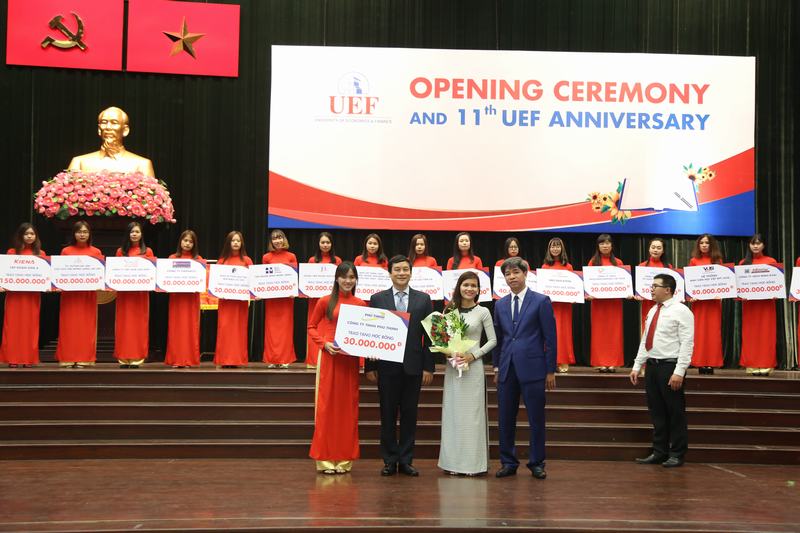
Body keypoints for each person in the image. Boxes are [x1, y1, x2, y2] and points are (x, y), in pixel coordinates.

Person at [367, 255, 434, 477]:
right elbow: (371, 334)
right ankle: (389, 460)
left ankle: (406, 460)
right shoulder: (377, 299)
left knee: (409, 415)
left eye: (405, 269)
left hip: (413, 367)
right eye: (397, 269)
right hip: (386, 368)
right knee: (387, 415)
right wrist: (370, 367)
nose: (402, 273)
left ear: (411, 272)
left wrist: (428, 367)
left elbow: (429, 337)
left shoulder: (424, 299)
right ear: (390, 273)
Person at [493, 257, 557, 480]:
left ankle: (537, 462)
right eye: (507, 274)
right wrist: (496, 367)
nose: (512, 277)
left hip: (534, 369)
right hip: (506, 369)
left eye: (515, 272)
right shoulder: (499, 304)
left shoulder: (541, 301)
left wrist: (550, 370)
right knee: (505, 419)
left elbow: (550, 338)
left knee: (536, 419)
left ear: (525, 273)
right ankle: (508, 462)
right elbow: (499, 339)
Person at [630, 273, 694, 468]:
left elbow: (687, 343)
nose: (651, 289)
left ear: (667, 290)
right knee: (656, 411)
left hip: (670, 366)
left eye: (655, 286)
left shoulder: (681, 310)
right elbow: (646, 339)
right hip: (652, 366)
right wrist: (637, 365)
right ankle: (659, 451)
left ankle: (677, 453)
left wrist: (679, 371)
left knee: (675, 412)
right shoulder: (652, 310)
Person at [307, 261, 365, 474]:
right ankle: (324, 459)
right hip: (330, 359)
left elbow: (365, 333)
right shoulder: (324, 301)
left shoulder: (360, 304)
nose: (348, 281)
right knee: (326, 408)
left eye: (352, 277)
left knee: (347, 409)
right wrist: (324, 343)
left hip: (349, 362)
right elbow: (311, 327)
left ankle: (344, 460)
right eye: (344, 277)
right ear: (337, 278)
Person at [438, 271, 497, 476]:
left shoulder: (483, 312)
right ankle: (452, 464)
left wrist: (473, 355)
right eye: (466, 285)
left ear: (479, 289)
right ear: (459, 287)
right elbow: (442, 340)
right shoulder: (449, 311)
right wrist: (449, 353)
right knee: (453, 415)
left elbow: (493, 340)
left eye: (473, 285)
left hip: (473, 369)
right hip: (454, 368)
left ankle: (473, 465)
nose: (469, 289)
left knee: (473, 417)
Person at [55, 221, 104, 368]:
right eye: (79, 232)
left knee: (86, 326)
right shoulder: (66, 251)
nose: (82, 234)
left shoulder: (96, 252)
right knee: (68, 326)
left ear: (89, 234)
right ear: (74, 234)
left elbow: (100, 274)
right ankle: (67, 358)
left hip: (87, 295)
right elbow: (59, 272)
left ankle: (85, 358)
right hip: (69, 296)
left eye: (85, 232)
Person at [0, 223, 47, 367]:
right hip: (14, 296)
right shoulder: (11, 253)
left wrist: (49, 284)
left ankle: (28, 359)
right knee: (12, 326)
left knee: (30, 327)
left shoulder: (41, 254)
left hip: (32, 297)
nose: (29, 236)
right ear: (20, 236)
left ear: (36, 236)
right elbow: (5, 273)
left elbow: (46, 276)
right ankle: (12, 359)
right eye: (26, 234)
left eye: (32, 234)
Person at [68, 106, 155, 177]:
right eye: (104, 122)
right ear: (99, 129)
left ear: (125, 130)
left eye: (114, 123)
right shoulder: (79, 162)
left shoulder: (142, 164)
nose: (108, 127)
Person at [113, 221, 155, 368]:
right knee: (124, 324)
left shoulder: (147, 252)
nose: (134, 234)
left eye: (137, 231)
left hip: (140, 295)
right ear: (128, 234)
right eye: (132, 232)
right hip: (124, 295)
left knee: (139, 324)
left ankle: (137, 357)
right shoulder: (120, 252)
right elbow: (115, 272)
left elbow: (152, 273)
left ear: (141, 234)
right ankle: (123, 358)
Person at [738, 233, 778, 376]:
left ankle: (766, 364)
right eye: (752, 243)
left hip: (766, 305)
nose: (755, 246)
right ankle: (751, 364)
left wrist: (776, 291)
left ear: (764, 245)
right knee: (750, 334)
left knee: (766, 333)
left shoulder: (771, 261)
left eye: (758, 243)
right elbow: (739, 285)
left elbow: (777, 282)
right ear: (749, 245)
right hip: (750, 305)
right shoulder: (743, 263)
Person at [165, 230, 205, 368]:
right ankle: (176, 359)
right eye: (185, 240)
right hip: (177, 299)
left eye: (190, 241)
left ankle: (188, 359)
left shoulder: (198, 260)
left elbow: (201, 281)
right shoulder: (172, 258)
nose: (187, 244)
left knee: (190, 328)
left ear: (194, 244)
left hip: (191, 299)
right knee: (176, 327)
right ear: (180, 241)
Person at [587, 233, 626, 372]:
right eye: (602, 243)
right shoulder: (593, 262)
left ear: (612, 245)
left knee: (614, 332)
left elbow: (624, 283)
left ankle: (613, 363)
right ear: (598, 246)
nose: (605, 246)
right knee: (599, 333)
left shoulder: (619, 263)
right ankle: (600, 362)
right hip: (598, 305)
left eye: (607, 243)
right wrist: (587, 294)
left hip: (614, 304)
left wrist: (626, 291)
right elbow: (588, 284)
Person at [214, 231, 253, 368]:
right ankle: (224, 359)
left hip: (240, 303)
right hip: (225, 302)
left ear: (242, 243)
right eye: (233, 240)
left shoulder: (247, 261)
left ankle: (237, 360)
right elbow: (215, 283)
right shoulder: (221, 261)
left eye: (238, 240)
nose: (236, 243)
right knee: (225, 329)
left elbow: (253, 281)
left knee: (239, 330)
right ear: (228, 243)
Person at [687, 234, 724, 375]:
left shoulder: (718, 261)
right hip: (699, 304)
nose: (704, 245)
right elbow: (690, 282)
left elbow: (723, 281)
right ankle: (700, 362)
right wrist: (691, 296)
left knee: (713, 332)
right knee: (699, 332)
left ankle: (712, 362)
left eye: (707, 243)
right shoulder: (694, 261)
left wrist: (722, 292)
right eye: (701, 243)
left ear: (711, 245)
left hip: (713, 303)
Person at [262, 229, 298, 368]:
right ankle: (272, 359)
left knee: (285, 329)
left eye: (280, 238)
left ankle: (285, 359)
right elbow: (262, 278)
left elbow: (294, 277)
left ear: (284, 239)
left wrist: (294, 290)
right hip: (272, 299)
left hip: (286, 299)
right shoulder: (266, 257)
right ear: (271, 241)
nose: (277, 241)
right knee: (271, 329)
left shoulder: (291, 256)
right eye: (274, 238)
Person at [540, 237, 575, 373]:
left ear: (562, 249)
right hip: (550, 306)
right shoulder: (544, 267)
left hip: (564, 306)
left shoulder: (568, 267)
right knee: (550, 332)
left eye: (558, 246)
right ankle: (550, 361)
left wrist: (574, 295)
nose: (555, 249)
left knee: (563, 333)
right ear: (549, 249)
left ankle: (563, 360)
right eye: (553, 246)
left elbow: (573, 286)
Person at [636, 237, 673, 330]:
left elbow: (671, 286)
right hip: (647, 303)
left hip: (664, 303)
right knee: (647, 329)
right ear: (649, 249)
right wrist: (638, 294)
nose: (655, 250)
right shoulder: (642, 266)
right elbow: (639, 286)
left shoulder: (669, 267)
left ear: (663, 251)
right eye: (653, 247)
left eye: (659, 248)